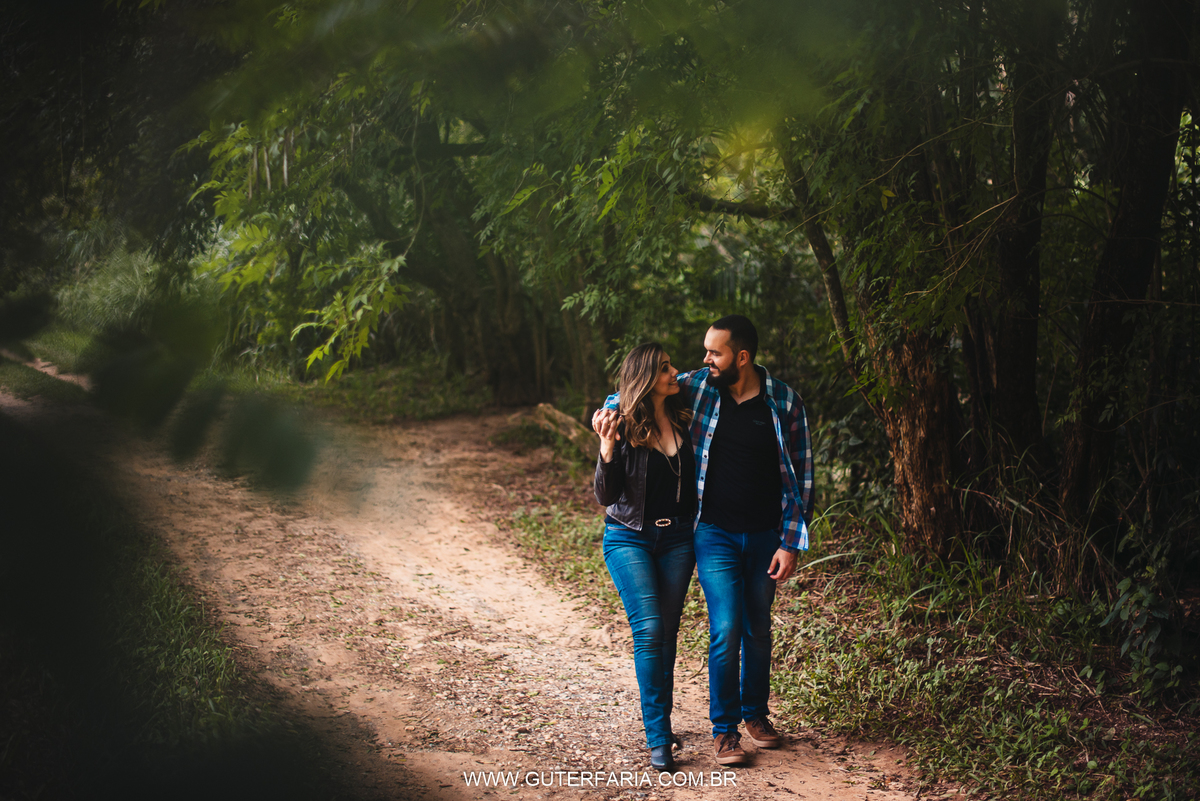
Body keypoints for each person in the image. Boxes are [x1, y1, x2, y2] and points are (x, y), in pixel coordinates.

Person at [594, 315, 814, 767]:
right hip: (703, 532)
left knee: (756, 628)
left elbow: (802, 478)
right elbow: (632, 389)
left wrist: (790, 542)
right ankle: (718, 732)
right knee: (720, 627)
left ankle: (755, 716)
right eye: (705, 353)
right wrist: (606, 415)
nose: (703, 361)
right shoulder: (701, 388)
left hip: (747, 535)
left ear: (743, 357)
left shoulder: (783, 403)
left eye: (714, 352)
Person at [592, 343, 697, 772]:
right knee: (651, 630)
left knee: (667, 635)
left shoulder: (684, 416)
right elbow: (606, 495)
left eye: (672, 366)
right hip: (628, 538)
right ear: (646, 377)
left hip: (678, 541)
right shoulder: (621, 423)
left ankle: (662, 723)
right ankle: (659, 738)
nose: (675, 373)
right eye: (665, 368)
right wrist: (606, 447)